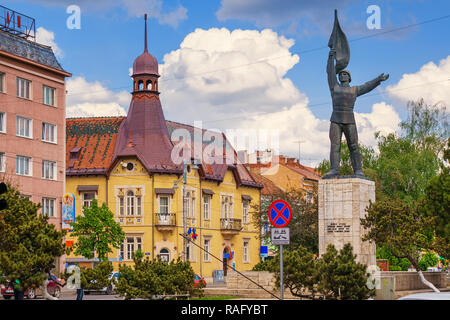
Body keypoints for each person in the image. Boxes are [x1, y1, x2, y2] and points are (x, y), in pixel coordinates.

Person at [322, 48, 389, 179]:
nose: (342, 76)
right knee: (335, 146)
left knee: (353, 146)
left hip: (349, 120)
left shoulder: (354, 90)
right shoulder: (334, 87)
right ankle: (334, 170)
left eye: (345, 74)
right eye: (340, 75)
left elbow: (367, 86)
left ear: (349, 77)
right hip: (335, 119)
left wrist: (378, 80)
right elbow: (330, 73)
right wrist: (330, 58)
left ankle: (358, 170)